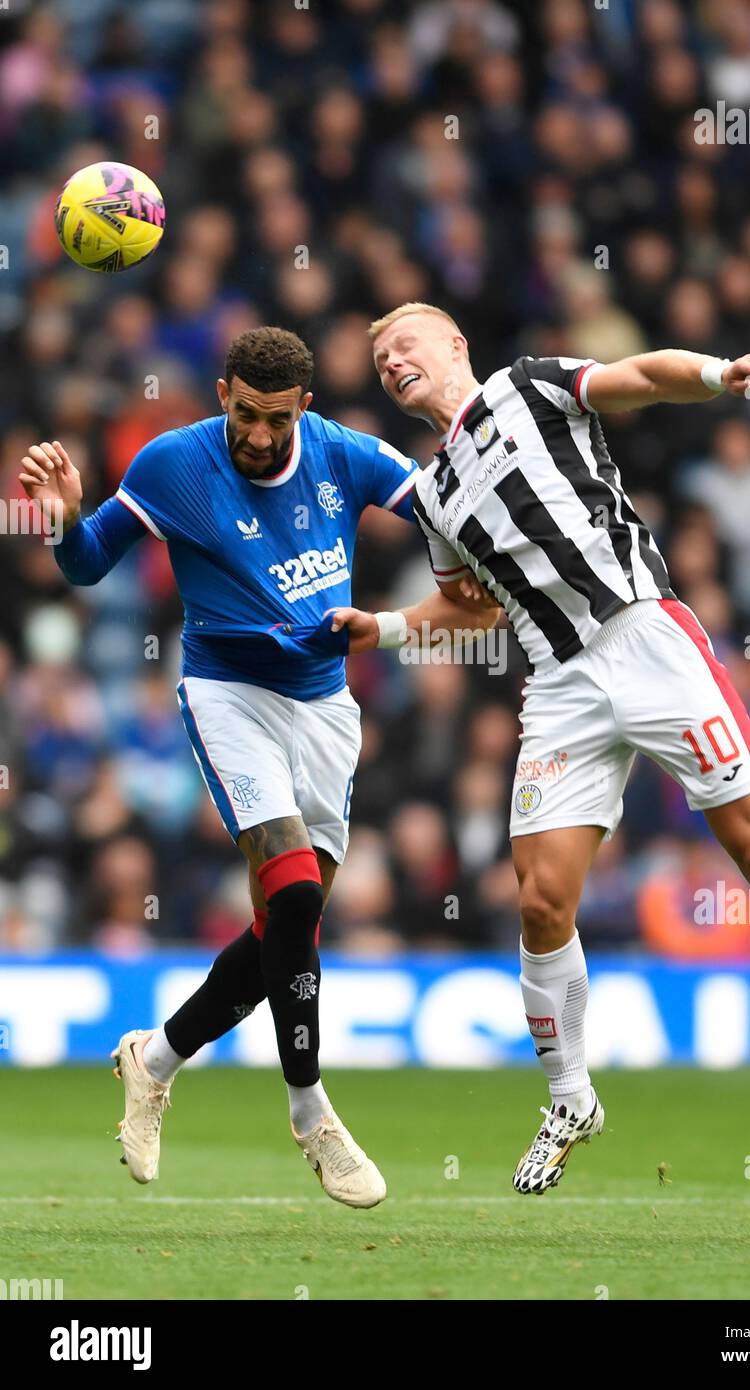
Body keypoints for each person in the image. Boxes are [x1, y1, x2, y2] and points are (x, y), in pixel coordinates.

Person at [329, 301, 750, 1195]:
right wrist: (384, 628)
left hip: (646, 638)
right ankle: (570, 1097)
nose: (393, 362)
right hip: (559, 685)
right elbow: (470, 605)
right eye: (380, 357)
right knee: (542, 900)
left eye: (406, 344)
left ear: (455, 344)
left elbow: (638, 379)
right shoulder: (432, 496)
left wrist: (717, 371)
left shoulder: (528, 386)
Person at [19, 325, 496, 1208]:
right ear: (222, 393)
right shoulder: (173, 466)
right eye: (247, 414)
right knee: (300, 898)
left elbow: (442, 505)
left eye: (279, 420)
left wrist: (476, 569)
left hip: (324, 707)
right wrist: (62, 520)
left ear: (302, 409)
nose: (262, 436)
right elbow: (87, 566)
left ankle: (154, 1057)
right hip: (227, 695)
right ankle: (311, 1112)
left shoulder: (345, 454)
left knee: (288, 924)